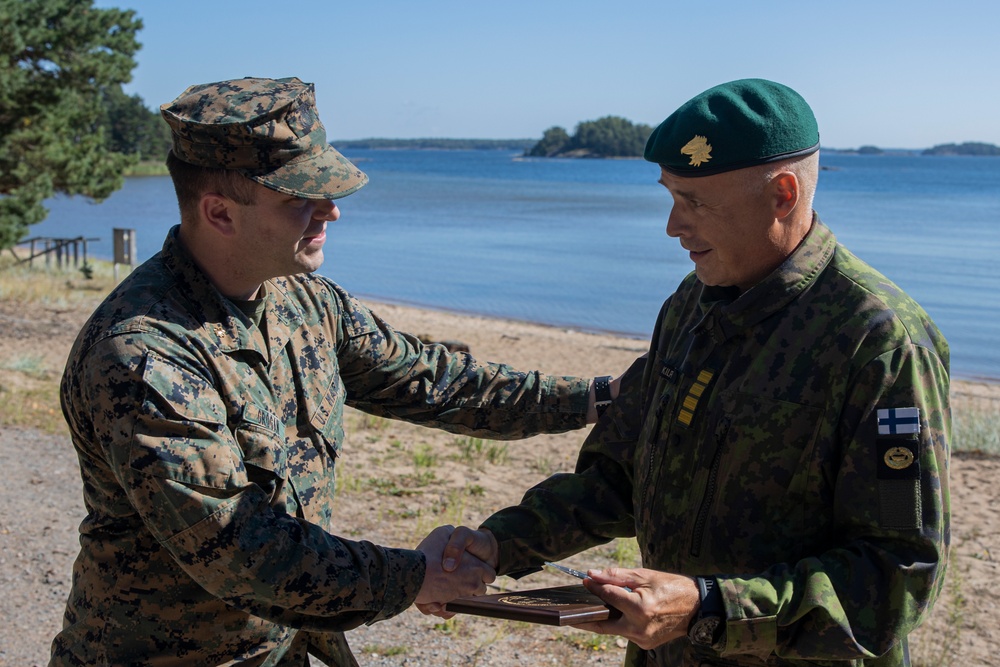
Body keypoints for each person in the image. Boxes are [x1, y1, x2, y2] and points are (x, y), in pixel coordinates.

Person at [50, 76, 619, 666]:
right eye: (301, 198)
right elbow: (240, 551)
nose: (332, 211)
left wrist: (599, 398)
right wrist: (415, 576)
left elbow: (434, 381)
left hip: (286, 648)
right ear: (219, 212)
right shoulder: (144, 354)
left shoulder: (303, 299)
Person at [435, 79, 950, 666]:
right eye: (671, 196)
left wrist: (708, 607)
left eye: (697, 202)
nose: (673, 225)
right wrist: (498, 545)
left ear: (783, 195)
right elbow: (618, 478)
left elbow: (898, 575)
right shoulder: (692, 305)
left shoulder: (878, 342)